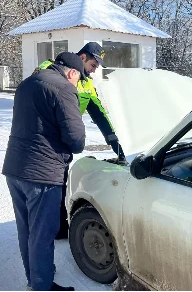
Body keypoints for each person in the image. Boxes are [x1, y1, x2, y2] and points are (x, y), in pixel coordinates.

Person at [3, 52, 86, 292]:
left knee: (26, 229)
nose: (77, 83)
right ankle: (42, 287)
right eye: (78, 78)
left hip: (15, 168)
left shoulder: (28, 82)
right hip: (42, 172)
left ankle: (36, 280)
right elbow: (76, 139)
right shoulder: (63, 89)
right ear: (72, 72)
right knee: (42, 233)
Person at [35, 42, 125, 239]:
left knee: (61, 184)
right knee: (44, 188)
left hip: (65, 141)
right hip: (43, 141)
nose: (94, 71)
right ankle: (43, 232)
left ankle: (58, 228)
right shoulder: (47, 69)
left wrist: (117, 145)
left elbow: (100, 113)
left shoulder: (87, 83)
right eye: (93, 65)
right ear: (83, 57)